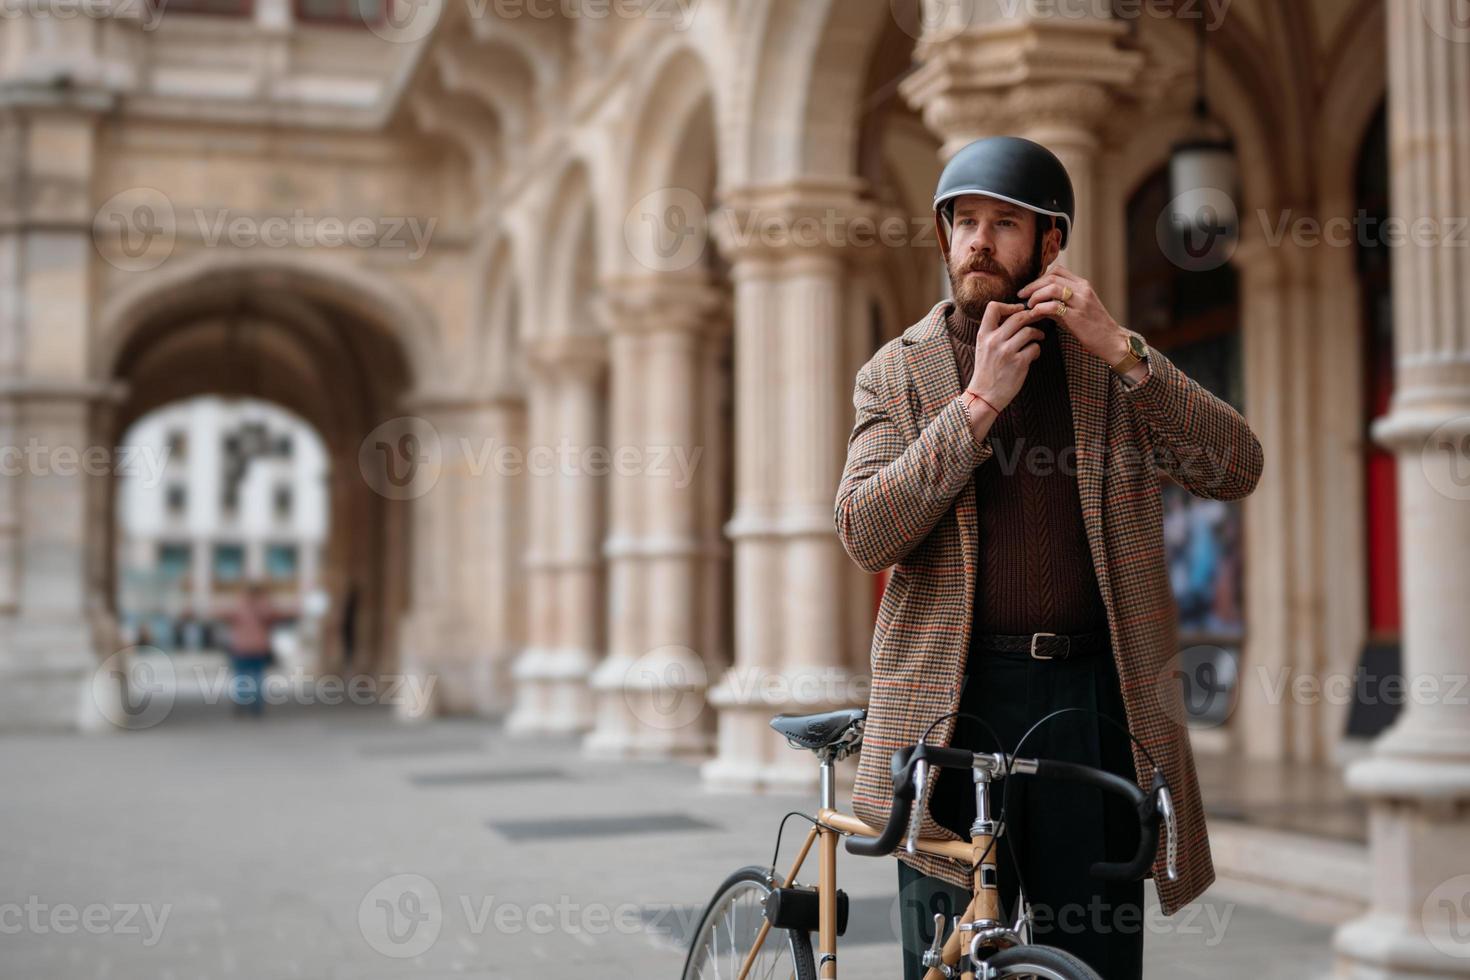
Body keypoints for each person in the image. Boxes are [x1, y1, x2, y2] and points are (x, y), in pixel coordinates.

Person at [833, 136, 1264, 978]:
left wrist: (1125, 351)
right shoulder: (896, 375)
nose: (978, 242)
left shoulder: (1105, 368)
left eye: (1004, 223)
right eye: (963, 222)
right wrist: (975, 408)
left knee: (1091, 955)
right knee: (948, 957)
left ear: (1051, 241)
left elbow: (1235, 467)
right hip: (949, 705)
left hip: (1088, 703)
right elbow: (865, 532)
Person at [225, 581, 279, 717]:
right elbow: (273, 618)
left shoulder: (238, 605)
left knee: (242, 676)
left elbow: (226, 616)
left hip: (241, 647)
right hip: (258, 647)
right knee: (257, 676)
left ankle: (242, 701)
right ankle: (256, 704)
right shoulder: (265, 606)